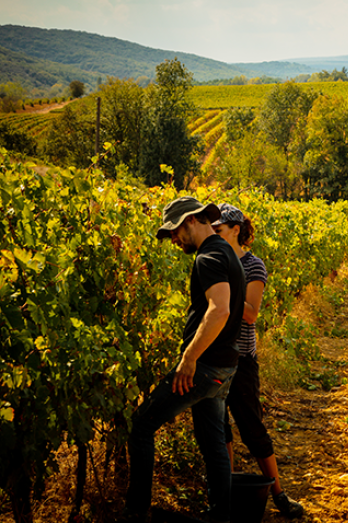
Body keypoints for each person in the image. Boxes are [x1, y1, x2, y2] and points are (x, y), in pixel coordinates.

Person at [122, 196, 246, 523]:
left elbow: (220, 310)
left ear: (192, 220)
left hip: (203, 368)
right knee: (213, 443)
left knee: (142, 425)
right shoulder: (227, 252)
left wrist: (189, 358)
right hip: (224, 366)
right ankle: (221, 514)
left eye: (175, 231)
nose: (174, 240)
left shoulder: (208, 257)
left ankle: (137, 511)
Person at [211, 203, 304, 519]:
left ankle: (278, 494)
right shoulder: (212, 261)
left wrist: (219, 305)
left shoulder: (253, 265)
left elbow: (250, 314)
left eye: (219, 231)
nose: (214, 236)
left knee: (251, 428)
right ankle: (225, 498)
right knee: (220, 430)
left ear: (235, 230)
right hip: (212, 357)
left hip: (241, 359)